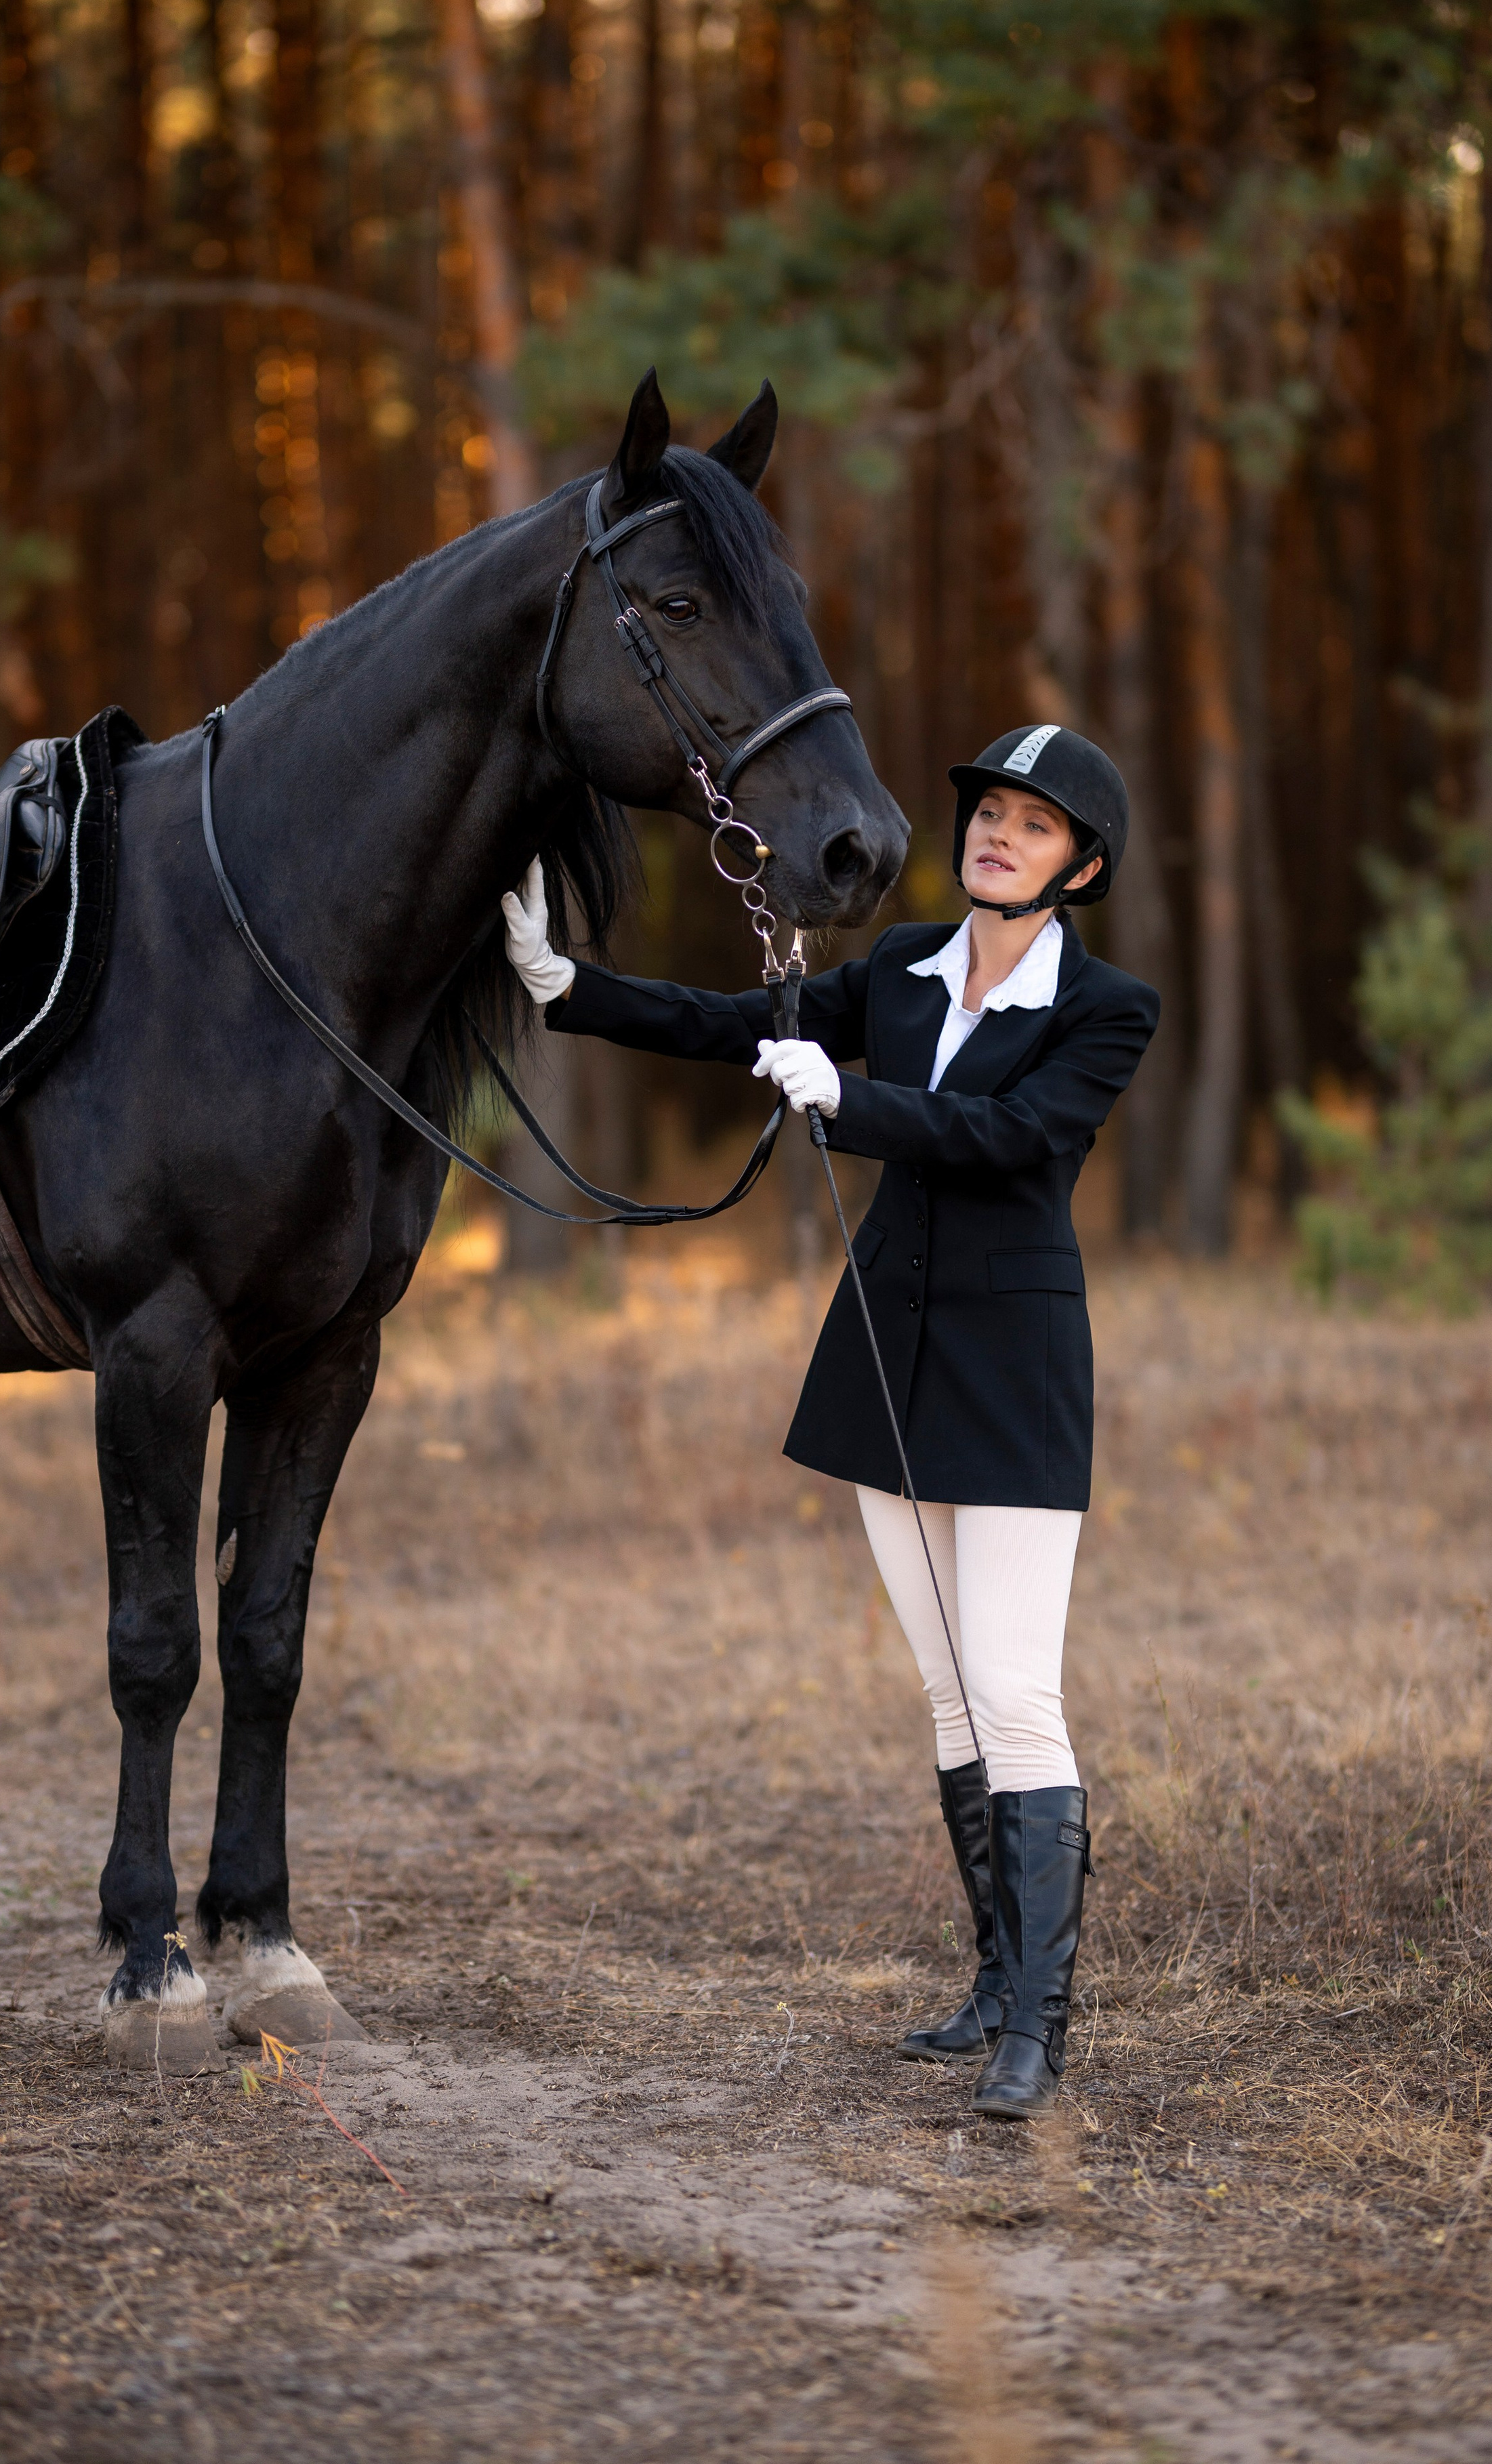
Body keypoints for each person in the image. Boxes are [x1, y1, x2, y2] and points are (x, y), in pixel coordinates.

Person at [500, 725, 1159, 2119]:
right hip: (883, 1361)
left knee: (1014, 1692)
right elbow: (731, 1022)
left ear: (1078, 866)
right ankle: (989, 1985)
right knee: (944, 1692)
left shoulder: (1108, 1009)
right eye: (988, 809)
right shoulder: (909, 969)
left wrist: (852, 1100)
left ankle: (1037, 2031)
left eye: (1033, 826)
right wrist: (567, 990)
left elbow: (1017, 1140)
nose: (996, 832)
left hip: (1015, 1370)